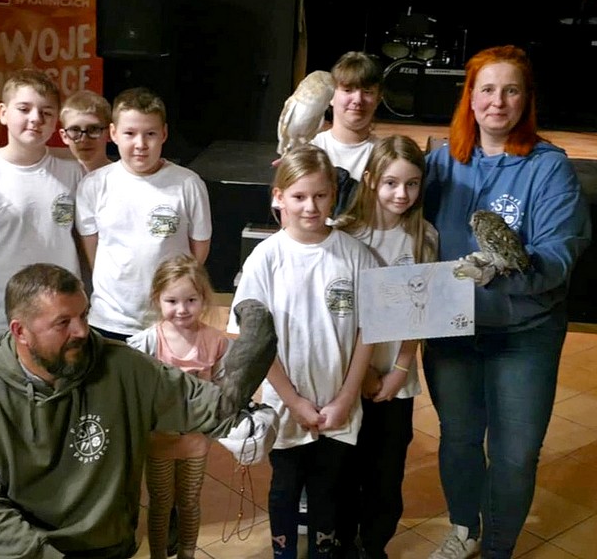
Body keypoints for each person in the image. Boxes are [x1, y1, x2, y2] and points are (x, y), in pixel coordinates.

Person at [0, 262, 277, 559]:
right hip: (17, 548)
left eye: (83, 315)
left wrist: (247, 385)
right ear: (20, 331)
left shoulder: (123, 366)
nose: (82, 331)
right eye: (63, 323)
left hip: (100, 545)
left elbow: (209, 406)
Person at [422, 44, 591, 559]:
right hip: (452, 328)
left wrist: (504, 271)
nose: (498, 101)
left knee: (515, 454)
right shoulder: (441, 162)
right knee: (458, 439)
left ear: (526, 99)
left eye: (511, 90)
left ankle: (497, 547)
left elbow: (560, 254)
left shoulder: (548, 169)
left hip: (524, 334)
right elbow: (387, 207)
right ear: (470, 98)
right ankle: (464, 530)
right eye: (488, 89)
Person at [229, 144, 379, 559]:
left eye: (320, 195)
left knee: (329, 491)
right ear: (279, 197)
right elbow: (253, 340)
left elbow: (369, 332)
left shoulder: (356, 256)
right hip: (284, 404)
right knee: (285, 488)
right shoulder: (265, 259)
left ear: (334, 195)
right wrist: (293, 401)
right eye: (299, 196)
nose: (310, 207)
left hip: (338, 405)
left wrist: (346, 398)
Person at [335, 135, 438, 559]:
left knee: (386, 471)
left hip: (397, 380)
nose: (401, 194)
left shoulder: (423, 237)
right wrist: (359, 376)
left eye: (411, 184)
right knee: (344, 469)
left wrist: (400, 368)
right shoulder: (344, 233)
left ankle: (374, 545)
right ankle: (341, 543)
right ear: (371, 180)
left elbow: (421, 310)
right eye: (392, 183)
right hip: (346, 378)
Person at [0, 68, 84, 347]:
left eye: (46, 112)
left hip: (63, 319)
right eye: (24, 109)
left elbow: (82, 240)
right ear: (3, 113)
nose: (35, 118)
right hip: (1, 321)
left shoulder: (72, 172)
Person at [75, 86, 212, 341]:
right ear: (113, 133)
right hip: (109, 319)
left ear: (164, 134)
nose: (140, 144)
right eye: (130, 133)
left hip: (168, 320)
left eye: (150, 134)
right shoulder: (93, 185)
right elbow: (92, 252)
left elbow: (198, 252)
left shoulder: (188, 184)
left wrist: (175, 296)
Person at [127, 254, 233, 559]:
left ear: (204, 299)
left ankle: (188, 553)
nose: (182, 309)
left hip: (196, 443)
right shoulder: (147, 342)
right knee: (160, 503)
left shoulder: (216, 341)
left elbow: (223, 389)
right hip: (158, 442)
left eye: (191, 300)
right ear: (157, 299)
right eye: (172, 301)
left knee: (189, 501)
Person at [310, 51, 384, 216]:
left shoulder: (385, 155)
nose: (358, 100)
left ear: (378, 99)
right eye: (348, 90)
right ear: (331, 95)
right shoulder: (310, 149)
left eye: (367, 91)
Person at [59, 89, 114, 173]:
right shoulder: (57, 177)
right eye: (75, 130)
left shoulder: (124, 178)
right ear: (64, 136)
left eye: (93, 129)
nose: (84, 139)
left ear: (110, 133)